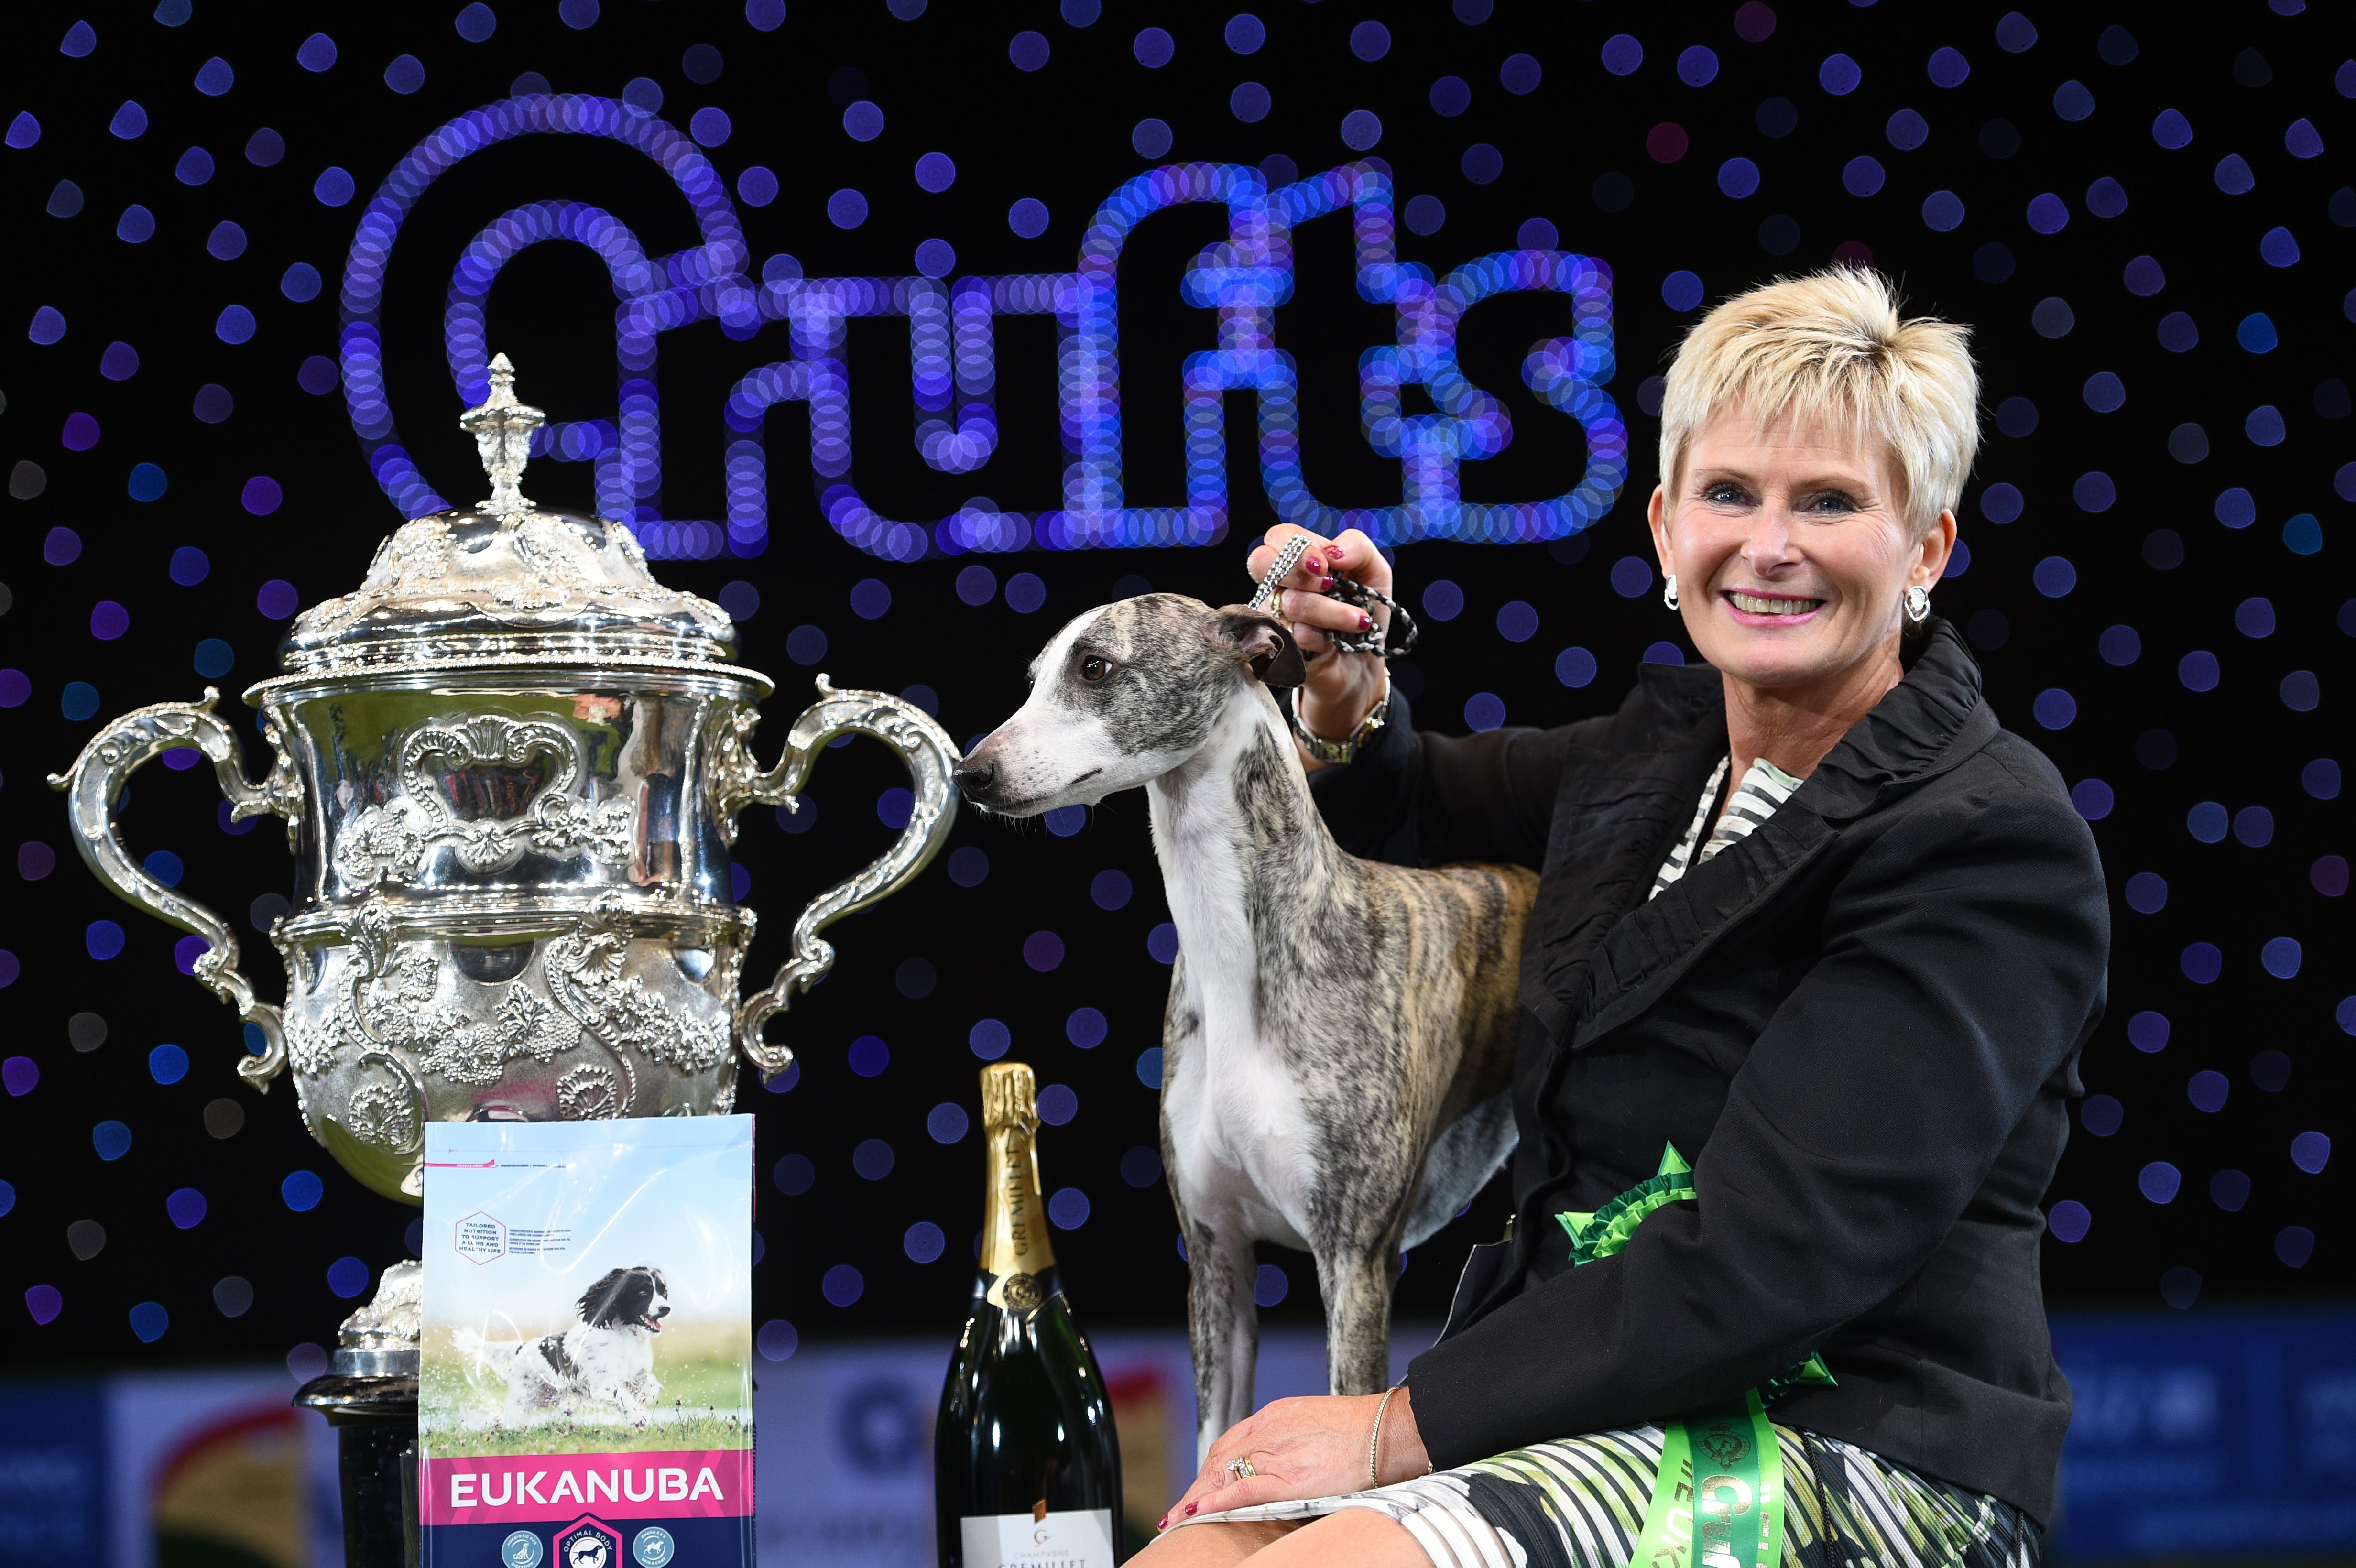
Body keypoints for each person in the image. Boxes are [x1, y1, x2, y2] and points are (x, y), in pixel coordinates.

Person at [1131, 268, 2108, 1568]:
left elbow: (1775, 1258)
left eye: (1829, 502)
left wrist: (1396, 1430)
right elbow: (1413, 804)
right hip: (1578, 1408)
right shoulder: (1660, 749)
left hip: (1850, 1444)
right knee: (1194, 1551)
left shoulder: (1987, 838)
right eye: (1730, 495)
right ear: (1663, 527)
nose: (1770, 546)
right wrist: (1346, 692)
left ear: (1925, 546)